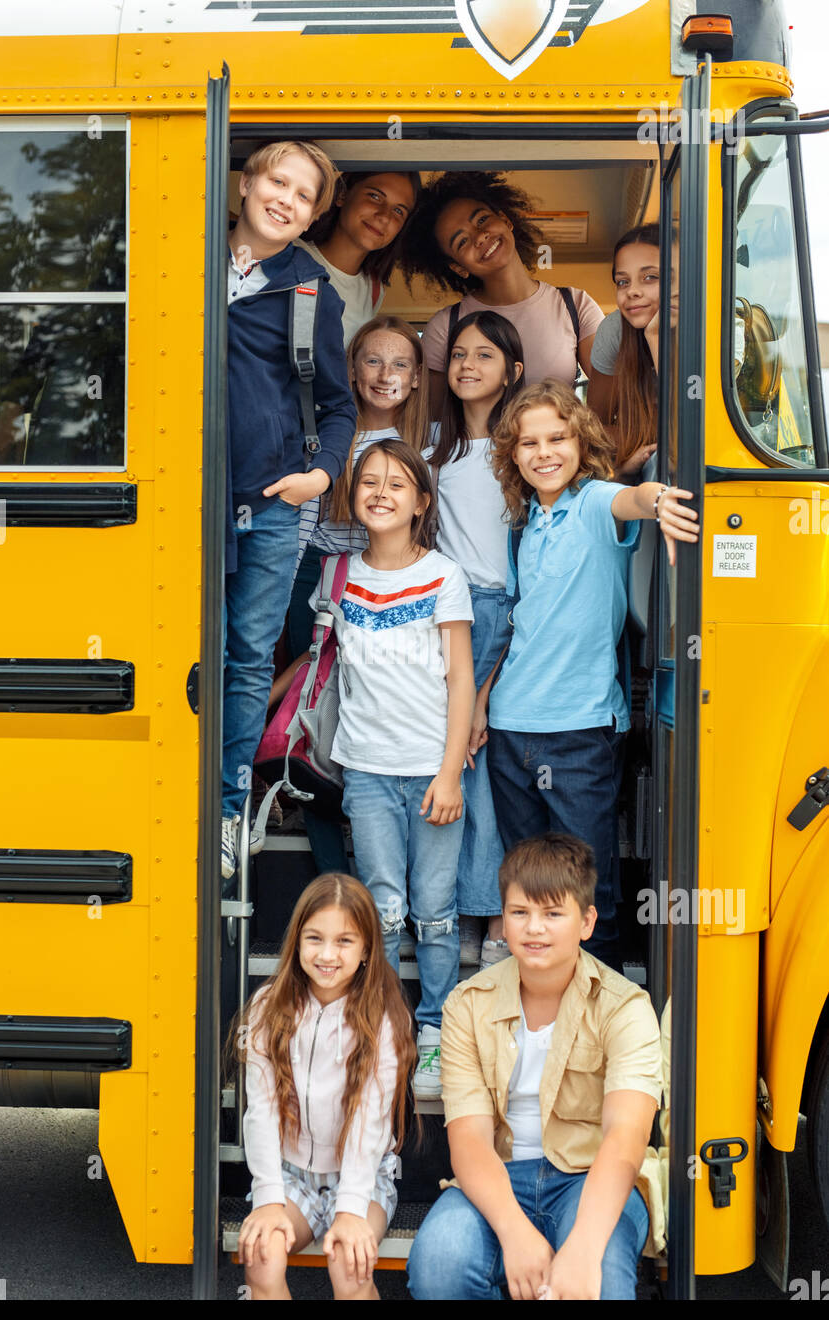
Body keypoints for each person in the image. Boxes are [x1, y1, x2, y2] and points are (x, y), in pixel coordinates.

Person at [473, 381, 699, 972]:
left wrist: (660, 502)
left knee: (583, 885)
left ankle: (594, 1010)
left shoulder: (595, 501)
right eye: (529, 443)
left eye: (557, 438)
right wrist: (480, 708)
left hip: (580, 732)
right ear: (513, 454)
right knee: (527, 883)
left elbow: (634, 499)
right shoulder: (523, 523)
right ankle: (541, 1001)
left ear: (581, 442)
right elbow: (519, 626)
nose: (543, 452)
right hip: (510, 728)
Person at [274, 439, 475, 1097]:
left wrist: (450, 775)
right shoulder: (338, 575)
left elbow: (462, 682)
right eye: (368, 483)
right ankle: (382, 1025)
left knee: (437, 912)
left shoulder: (444, 575)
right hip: (364, 768)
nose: (381, 493)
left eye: (397, 484)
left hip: (431, 771)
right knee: (382, 907)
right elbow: (318, 662)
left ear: (421, 501)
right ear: (351, 497)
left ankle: (439, 1027)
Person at [406, 832, 665, 1301]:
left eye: (552, 914)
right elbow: (468, 1141)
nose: (534, 929)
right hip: (501, 1174)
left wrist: (583, 1248)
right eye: (520, 912)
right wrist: (515, 1232)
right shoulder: (467, 1004)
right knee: (439, 1262)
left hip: (590, 1174)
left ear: (587, 921)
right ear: (502, 920)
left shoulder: (625, 1007)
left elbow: (625, 1139)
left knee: (599, 1276)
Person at [221, 140, 357, 878]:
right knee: (194, 656)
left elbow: (337, 406)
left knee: (247, 660)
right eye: (279, 181)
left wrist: (318, 476)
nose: (287, 200)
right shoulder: (188, 256)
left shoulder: (311, 290)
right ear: (245, 182)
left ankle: (226, 808)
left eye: (305, 196)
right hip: (190, 501)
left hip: (271, 507)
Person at [285, 314, 431, 874]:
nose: (385, 373)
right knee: (319, 715)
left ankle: (399, 880)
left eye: (400, 363)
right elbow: (302, 519)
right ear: (351, 368)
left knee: (391, 715)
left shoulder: (430, 440)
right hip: (325, 576)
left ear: (418, 377)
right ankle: (334, 879)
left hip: (401, 582)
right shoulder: (326, 434)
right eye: (372, 359)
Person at [234, 872, 415, 1301]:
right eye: (314, 938)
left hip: (363, 1176)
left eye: (345, 941)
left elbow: (371, 1121)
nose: (327, 955)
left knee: (349, 1266)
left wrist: (351, 1209)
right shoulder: (268, 1008)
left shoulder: (384, 1018)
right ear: (296, 942)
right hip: (290, 1172)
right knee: (261, 1257)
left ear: (368, 948)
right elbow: (260, 1111)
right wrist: (269, 1198)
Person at [429, 309, 524, 970]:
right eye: (459, 354)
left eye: (485, 355)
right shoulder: (434, 446)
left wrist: (485, 687)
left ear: (513, 372)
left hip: (489, 612)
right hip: (436, 612)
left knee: (475, 763)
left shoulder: (515, 452)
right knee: (448, 760)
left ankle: (489, 919)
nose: (467, 365)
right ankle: (461, 909)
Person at [401, 170, 603, 414]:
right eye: (462, 241)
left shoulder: (575, 305)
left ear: (506, 221)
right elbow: (434, 422)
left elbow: (611, 396)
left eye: (482, 220)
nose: (480, 236)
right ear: (458, 268)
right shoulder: (445, 326)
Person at [300, 170, 421, 344]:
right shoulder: (289, 252)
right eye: (375, 196)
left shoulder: (373, 289)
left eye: (398, 211)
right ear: (342, 195)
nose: (384, 216)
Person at [586, 223, 661, 478]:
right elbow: (595, 426)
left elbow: (694, 427)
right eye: (622, 282)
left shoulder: (723, 326)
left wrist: (654, 336)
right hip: (640, 467)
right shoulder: (616, 330)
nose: (633, 291)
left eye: (650, 277)